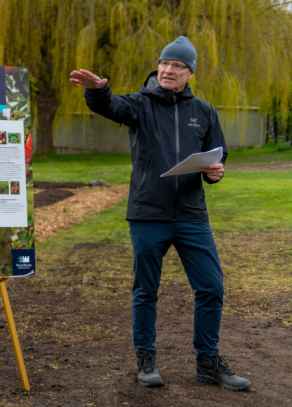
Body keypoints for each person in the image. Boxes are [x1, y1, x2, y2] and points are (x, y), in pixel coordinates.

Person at [69, 36, 251, 391]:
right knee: (146, 290)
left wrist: (216, 171)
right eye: (165, 63)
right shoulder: (140, 105)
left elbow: (218, 155)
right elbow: (111, 107)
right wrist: (98, 91)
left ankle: (208, 361)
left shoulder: (205, 111)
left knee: (212, 287)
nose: (168, 70)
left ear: (190, 73)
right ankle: (146, 359)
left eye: (178, 66)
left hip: (191, 215)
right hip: (148, 213)